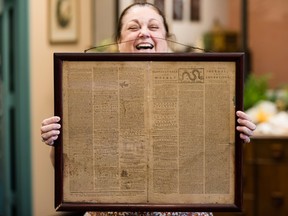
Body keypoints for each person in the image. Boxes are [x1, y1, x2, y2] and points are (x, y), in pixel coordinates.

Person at [41, 3, 256, 216]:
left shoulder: (201, 91)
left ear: (167, 39)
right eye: (133, 28)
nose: (144, 33)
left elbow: (215, 163)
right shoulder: (90, 91)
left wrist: (235, 136)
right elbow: (72, 170)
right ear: (118, 41)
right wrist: (56, 142)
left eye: (153, 27)